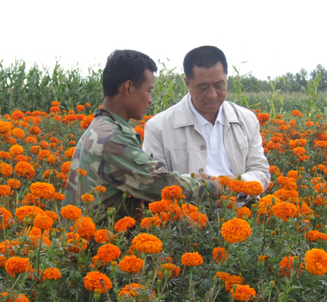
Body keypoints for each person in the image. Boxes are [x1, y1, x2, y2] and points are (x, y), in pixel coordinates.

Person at [62, 49, 221, 220]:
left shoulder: (101, 127)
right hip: (97, 242)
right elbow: (157, 184)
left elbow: (145, 177)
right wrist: (214, 187)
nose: (151, 100)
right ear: (128, 87)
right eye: (149, 90)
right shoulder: (112, 139)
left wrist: (190, 179)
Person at [142, 46, 270, 195]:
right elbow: (153, 182)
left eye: (218, 85)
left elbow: (261, 171)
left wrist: (237, 184)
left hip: (241, 210)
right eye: (202, 87)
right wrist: (198, 185)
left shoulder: (246, 120)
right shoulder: (158, 127)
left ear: (226, 78)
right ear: (187, 83)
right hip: (186, 214)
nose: (212, 95)